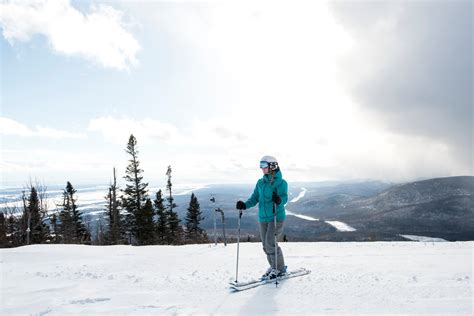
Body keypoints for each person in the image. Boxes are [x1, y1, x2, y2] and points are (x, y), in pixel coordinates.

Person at [236, 155, 288, 279]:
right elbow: (254, 198)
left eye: (264, 165)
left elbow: (284, 198)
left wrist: (279, 200)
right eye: (260, 165)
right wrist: (244, 205)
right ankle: (273, 266)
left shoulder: (281, 182)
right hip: (263, 218)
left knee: (271, 243)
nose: (262, 168)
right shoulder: (260, 183)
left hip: (276, 216)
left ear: (272, 166)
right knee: (265, 245)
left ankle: (280, 269)